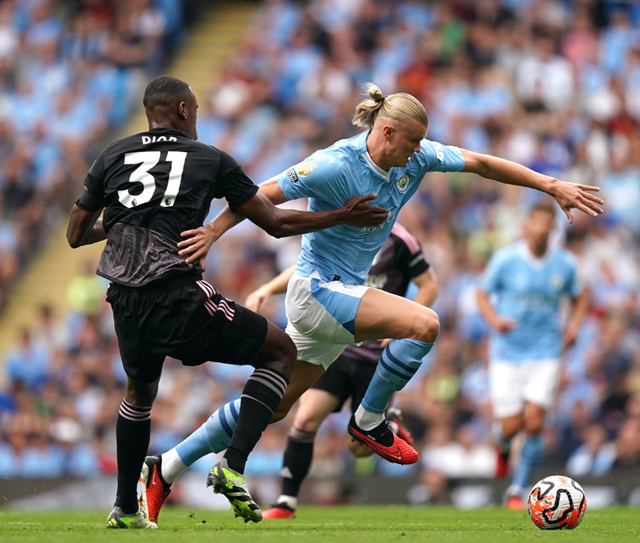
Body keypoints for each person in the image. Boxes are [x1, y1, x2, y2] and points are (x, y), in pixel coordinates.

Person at [140, 83, 603, 524]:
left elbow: (481, 163)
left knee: (274, 406)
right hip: (316, 290)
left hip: (334, 304)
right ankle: (370, 420)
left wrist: (551, 185)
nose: (420, 150)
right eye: (413, 140)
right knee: (424, 323)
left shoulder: (416, 158)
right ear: (387, 132)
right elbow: (258, 194)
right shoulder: (335, 163)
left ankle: (167, 467)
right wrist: (212, 233)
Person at [65, 75, 388, 529]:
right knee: (280, 352)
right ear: (181, 110)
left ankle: (124, 508)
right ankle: (232, 463)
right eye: (194, 109)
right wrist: (340, 215)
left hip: (123, 299)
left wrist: (123, 221)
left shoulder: (112, 154)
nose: (196, 117)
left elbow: (76, 234)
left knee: (139, 394)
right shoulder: (209, 159)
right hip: (175, 291)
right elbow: (274, 222)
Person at [245, 223, 437, 519]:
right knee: (305, 418)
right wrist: (267, 289)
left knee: (358, 449)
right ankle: (286, 502)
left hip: (375, 357)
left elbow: (429, 284)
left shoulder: (401, 239)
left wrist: (405, 326)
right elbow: (305, 271)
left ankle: (390, 424)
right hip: (337, 347)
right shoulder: (340, 229)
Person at [475, 201, 590, 509]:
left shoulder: (565, 264)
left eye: (545, 224)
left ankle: (518, 488)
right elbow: (481, 293)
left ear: (553, 229)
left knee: (536, 423)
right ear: (526, 226)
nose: (540, 229)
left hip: (547, 350)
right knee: (511, 426)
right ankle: (503, 445)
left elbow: (581, 296)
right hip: (508, 351)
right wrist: (495, 320)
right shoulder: (506, 259)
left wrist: (575, 325)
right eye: (535, 223)